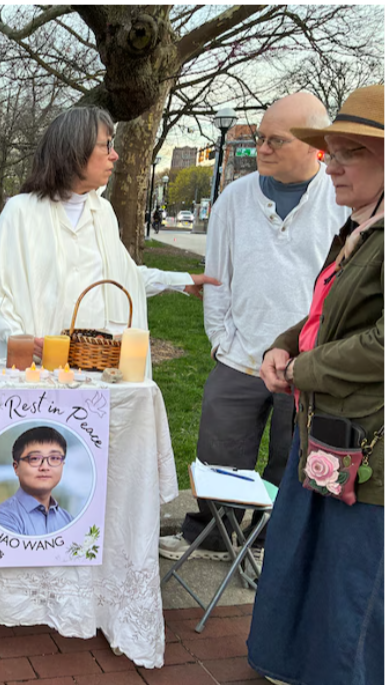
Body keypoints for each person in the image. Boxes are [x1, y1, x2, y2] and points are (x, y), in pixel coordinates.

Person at [159, 93, 349, 562]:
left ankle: (270, 544)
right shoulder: (234, 199)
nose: (261, 148)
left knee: (291, 462)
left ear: (315, 145)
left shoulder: (340, 200)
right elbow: (217, 278)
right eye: (260, 137)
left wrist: (316, 354)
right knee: (218, 457)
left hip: (307, 365)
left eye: (276, 141)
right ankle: (212, 536)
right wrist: (220, 341)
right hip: (238, 357)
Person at [246, 84, 384, 685]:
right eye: (333, 151)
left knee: (352, 580)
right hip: (327, 430)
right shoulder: (360, 227)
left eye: (353, 153)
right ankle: (295, 663)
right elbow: (325, 315)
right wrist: (282, 344)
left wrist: (302, 368)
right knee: (307, 556)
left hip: (369, 445)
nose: (334, 165)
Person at [0, 107, 218, 369]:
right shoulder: (20, 213)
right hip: (33, 370)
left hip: (92, 369)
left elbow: (124, 277)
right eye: (106, 145)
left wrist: (182, 282)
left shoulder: (103, 213)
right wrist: (21, 339)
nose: (115, 155)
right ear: (74, 150)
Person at [0, 426, 73, 535]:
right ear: (16, 468)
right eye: (34, 459)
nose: (45, 467)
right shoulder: (2, 518)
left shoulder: (69, 520)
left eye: (54, 458)